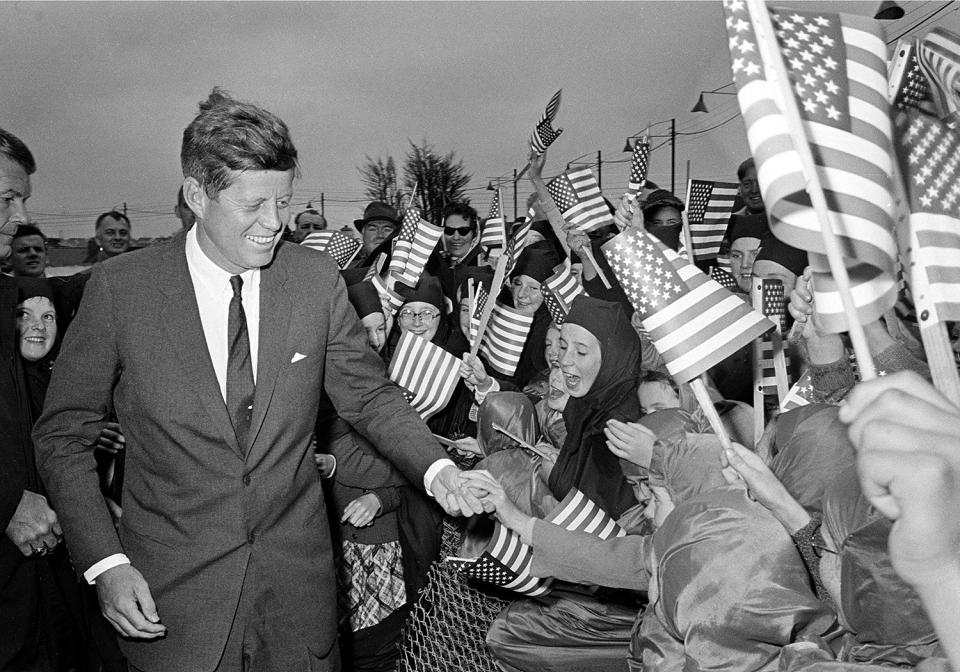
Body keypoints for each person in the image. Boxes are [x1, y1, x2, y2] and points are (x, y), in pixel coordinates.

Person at [33, 88, 482, 672]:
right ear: (197, 195)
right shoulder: (122, 291)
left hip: (297, 608)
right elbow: (63, 438)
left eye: (284, 202)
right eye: (253, 206)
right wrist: (105, 563)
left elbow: (370, 396)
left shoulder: (314, 281)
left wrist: (437, 469)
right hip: (173, 607)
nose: (275, 224)